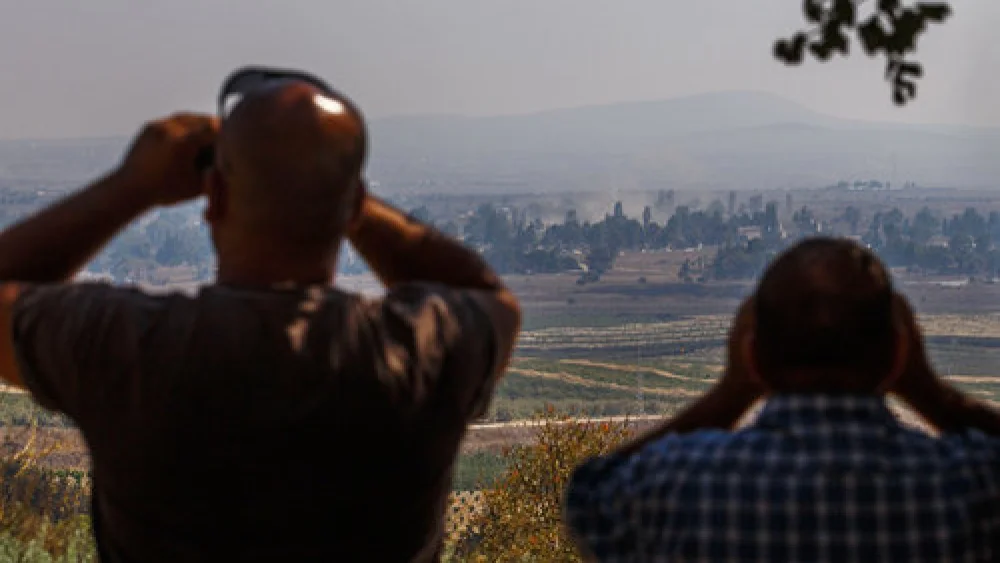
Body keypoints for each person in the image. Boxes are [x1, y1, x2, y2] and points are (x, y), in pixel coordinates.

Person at [0, 73, 520, 562]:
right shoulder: (416, 352)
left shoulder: (131, 346)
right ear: (354, 206)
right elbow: (487, 298)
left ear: (216, 195)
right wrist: (335, 190)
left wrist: (133, 184)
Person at [565, 237, 1000, 562]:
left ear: (753, 357)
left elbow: (590, 498)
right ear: (898, 354)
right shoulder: (966, 486)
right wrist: (928, 391)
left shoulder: (684, 485)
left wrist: (729, 393)